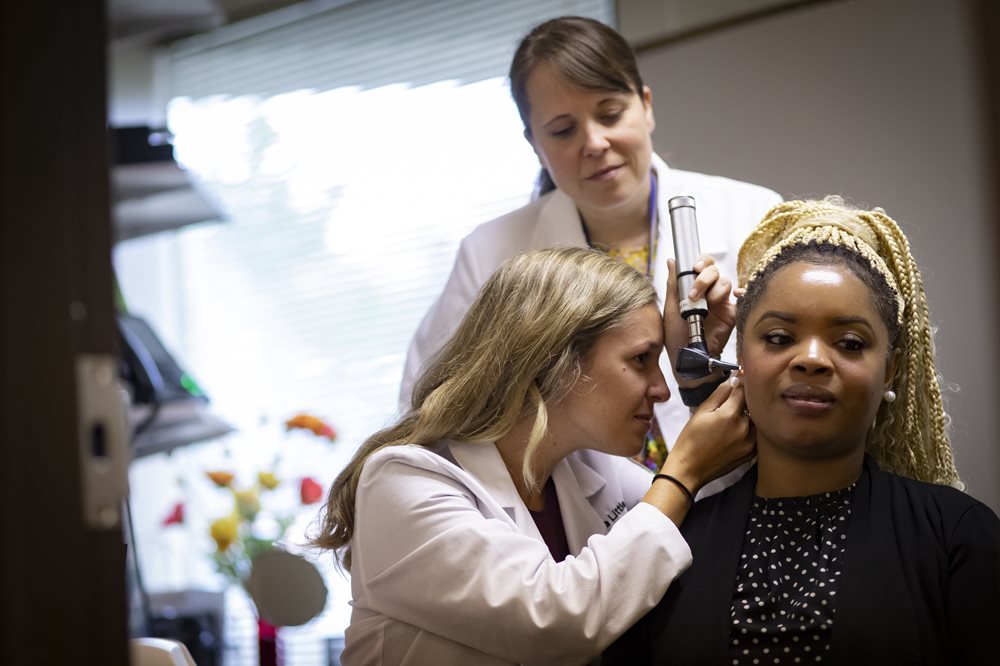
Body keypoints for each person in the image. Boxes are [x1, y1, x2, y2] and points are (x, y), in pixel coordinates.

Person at [312, 247, 755, 665]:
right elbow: (557, 624)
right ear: (553, 360)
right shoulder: (403, 483)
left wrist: (696, 382)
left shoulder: (588, 472)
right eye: (641, 360)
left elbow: (714, 515)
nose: (660, 390)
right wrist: (680, 472)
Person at [605, 198, 1000, 665]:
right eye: (778, 338)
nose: (811, 358)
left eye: (849, 343)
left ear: (890, 371)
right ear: (741, 361)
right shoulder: (670, 542)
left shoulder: (957, 536)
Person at [400, 16, 781, 472]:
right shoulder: (490, 253)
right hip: (582, 521)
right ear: (534, 143)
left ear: (645, 104)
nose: (594, 143)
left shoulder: (754, 214)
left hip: (741, 483)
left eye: (610, 113)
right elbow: (430, 406)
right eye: (563, 130)